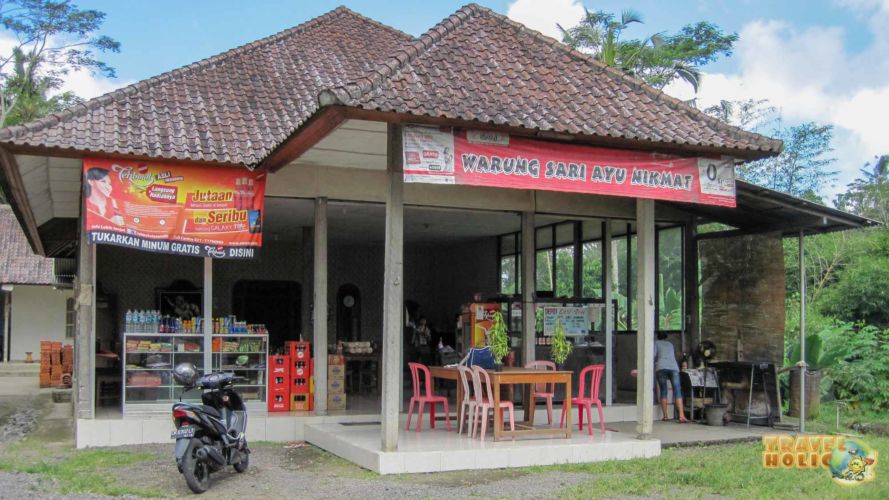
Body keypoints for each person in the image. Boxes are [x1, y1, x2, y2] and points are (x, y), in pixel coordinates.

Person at [655, 331, 688, 423]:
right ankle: (681, 415)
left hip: (661, 367)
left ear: (657, 336)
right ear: (666, 337)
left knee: (664, 390)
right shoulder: (670, 344)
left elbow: (653, 355)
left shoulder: (656, 343)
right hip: (673, 367)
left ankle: (665, 416)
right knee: (677, 390)